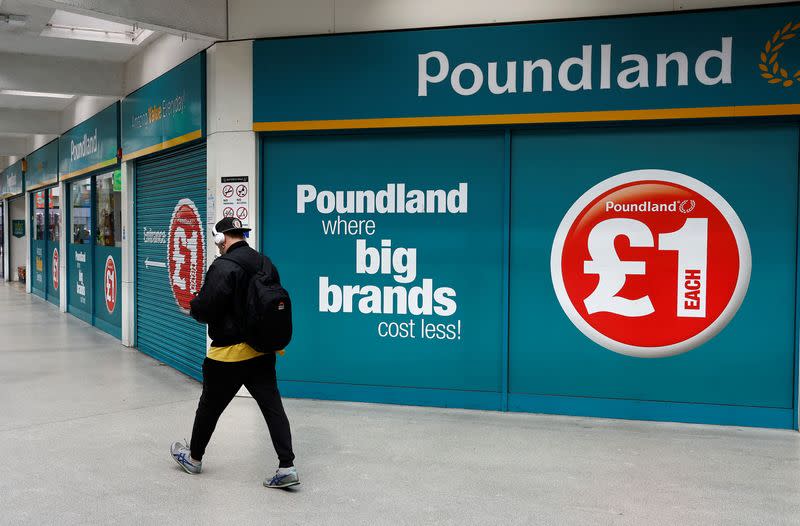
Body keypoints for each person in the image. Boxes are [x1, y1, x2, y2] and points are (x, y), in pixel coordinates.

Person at [170, 217, 299, 489]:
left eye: (217, 240)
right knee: (273, 407)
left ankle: (193, 458)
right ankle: (287, 466)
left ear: (222, 239)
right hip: (262, 352)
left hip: (227, 356)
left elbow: (205, 309)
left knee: (209, 408)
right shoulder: (265, 262)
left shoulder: (223, 266)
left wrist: (195, 303)